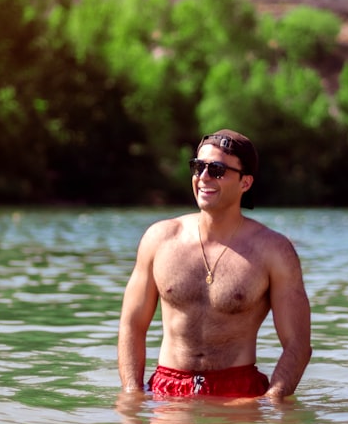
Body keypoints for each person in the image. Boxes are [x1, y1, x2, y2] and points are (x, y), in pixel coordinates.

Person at [117, 129, 312, 401]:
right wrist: (132, 395)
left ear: (246, 183)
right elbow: (131, 325)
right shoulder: (159, 239)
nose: (204, 177)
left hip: (240, 393)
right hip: (167, 390)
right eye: (198, 167)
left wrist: (271, 401)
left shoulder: (273, 250)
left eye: (217, 170)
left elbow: (298, 344)